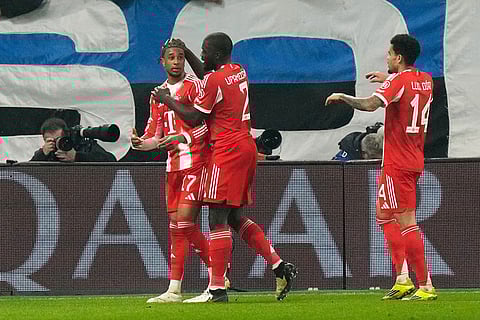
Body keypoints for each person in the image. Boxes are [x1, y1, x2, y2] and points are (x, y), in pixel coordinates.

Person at [153, 32, 297, 303]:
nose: (202, 56)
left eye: (205, 51)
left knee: (216, 220)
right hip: (246, 147)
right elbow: (208, 74)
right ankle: (279, 265)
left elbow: (195, 117)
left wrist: (167, 99)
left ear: (216, 55)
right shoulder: (237, 71)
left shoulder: (214, 81)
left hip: (227, 151)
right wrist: (188, 50)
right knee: (235, 217)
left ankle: (216, 289)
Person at [325, 34, 437, 301]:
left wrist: (343, 97)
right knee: (384, 214)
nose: (386, 57)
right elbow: (406, 87)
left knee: (406, 220)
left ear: (398, 57)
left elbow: (370, 104)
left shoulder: (398, 81)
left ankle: (425, 285)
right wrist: (387, 78)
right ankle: (402, 278)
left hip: (397, 162)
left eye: (389, 54)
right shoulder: (426, 80)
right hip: (413, 157)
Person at [130, 39, 212, 303]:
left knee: (184, 224)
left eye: (180, 57)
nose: (176, 61)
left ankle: (200, 281)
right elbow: (155, 135)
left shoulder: (195, 87)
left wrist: (181, 139)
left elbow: (206, 127)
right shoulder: (157, 95)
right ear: (162, 62)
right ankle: (187, 284)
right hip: (172, 167)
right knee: (178, 226)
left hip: (196, 161)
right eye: (171, 58)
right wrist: (140, 144)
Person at [31, 117, 116, 162]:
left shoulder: (80, 145)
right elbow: (26, 173)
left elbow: (111, 160)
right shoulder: (45, 153)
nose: (56, 143)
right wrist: (42, 154)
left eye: (58, 139)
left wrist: (77, 156)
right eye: (51, 141)